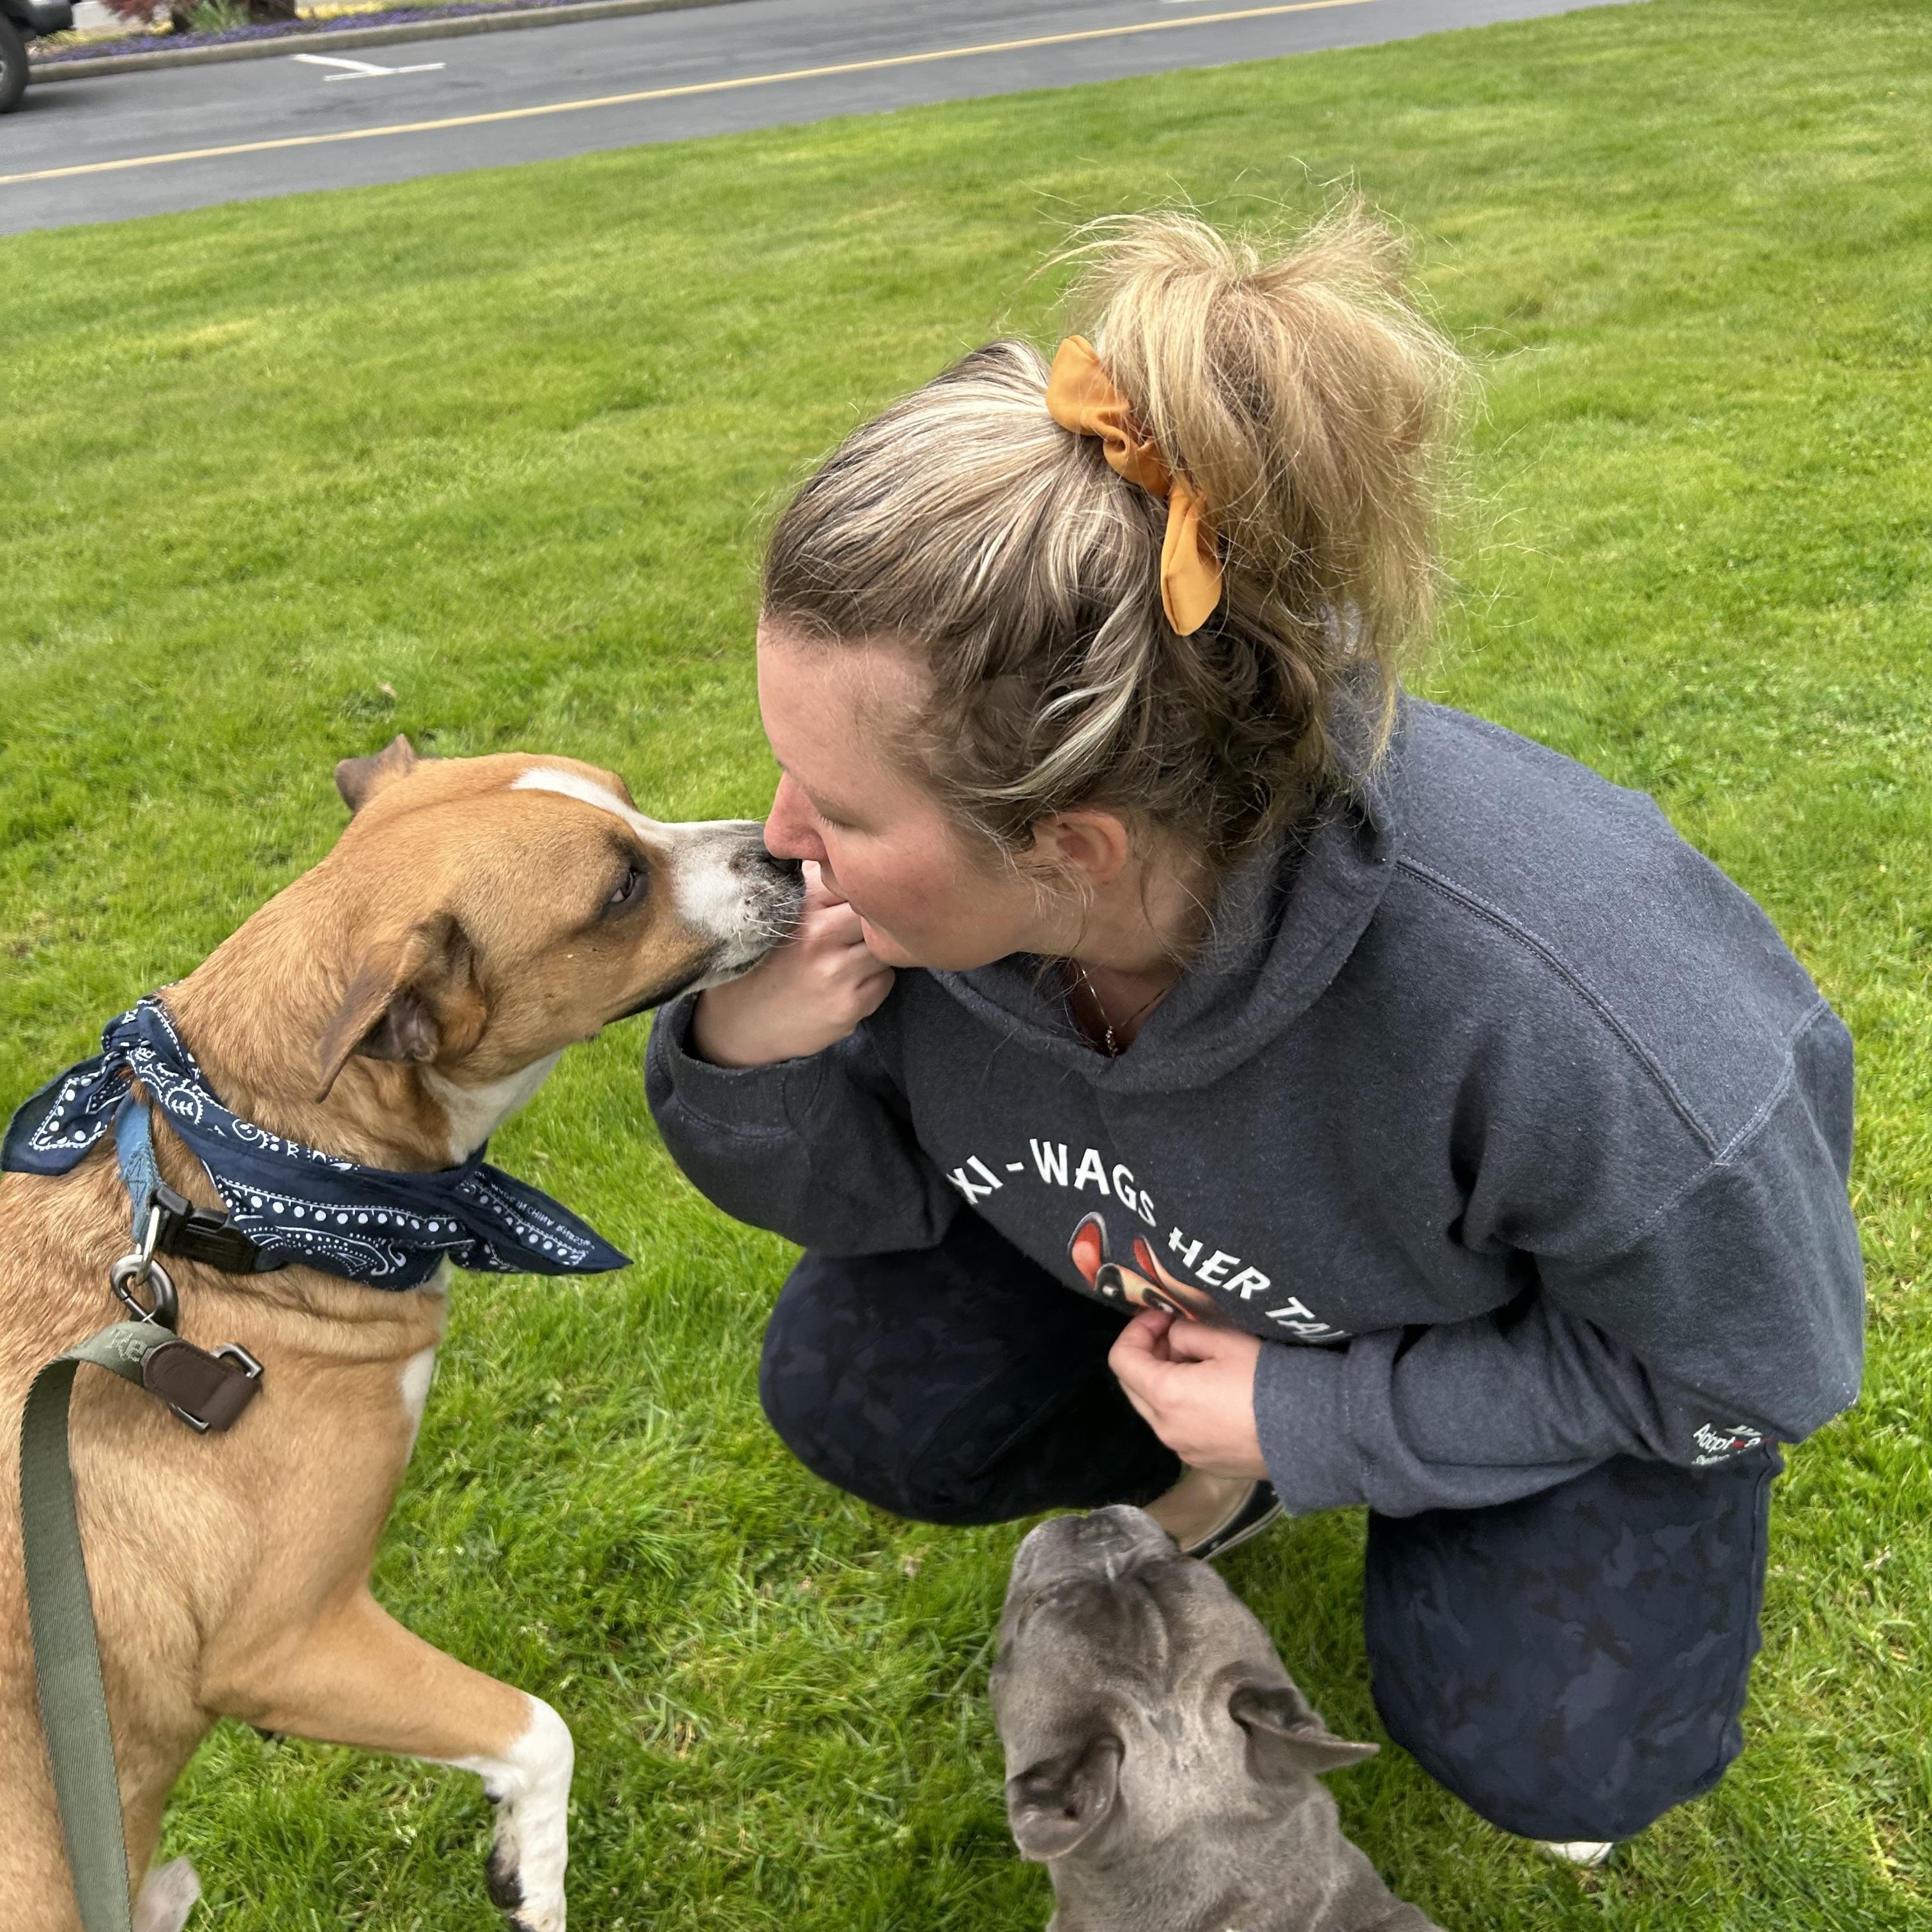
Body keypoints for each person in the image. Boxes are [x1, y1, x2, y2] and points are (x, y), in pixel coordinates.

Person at [644, 209, 1864, 1856]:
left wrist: (1326, 1418)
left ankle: (1292, 1470)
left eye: (844, 807)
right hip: (1183, 1265)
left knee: (1560, 1749)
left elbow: (1748, 1369)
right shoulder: (918, 917)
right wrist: (747, 1057)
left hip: (1522, 1345)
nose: (780, 839)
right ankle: (1231, 1471)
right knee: (865, 1388)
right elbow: (880, 1207)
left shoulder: (1575, 1003)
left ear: (1072, 844)